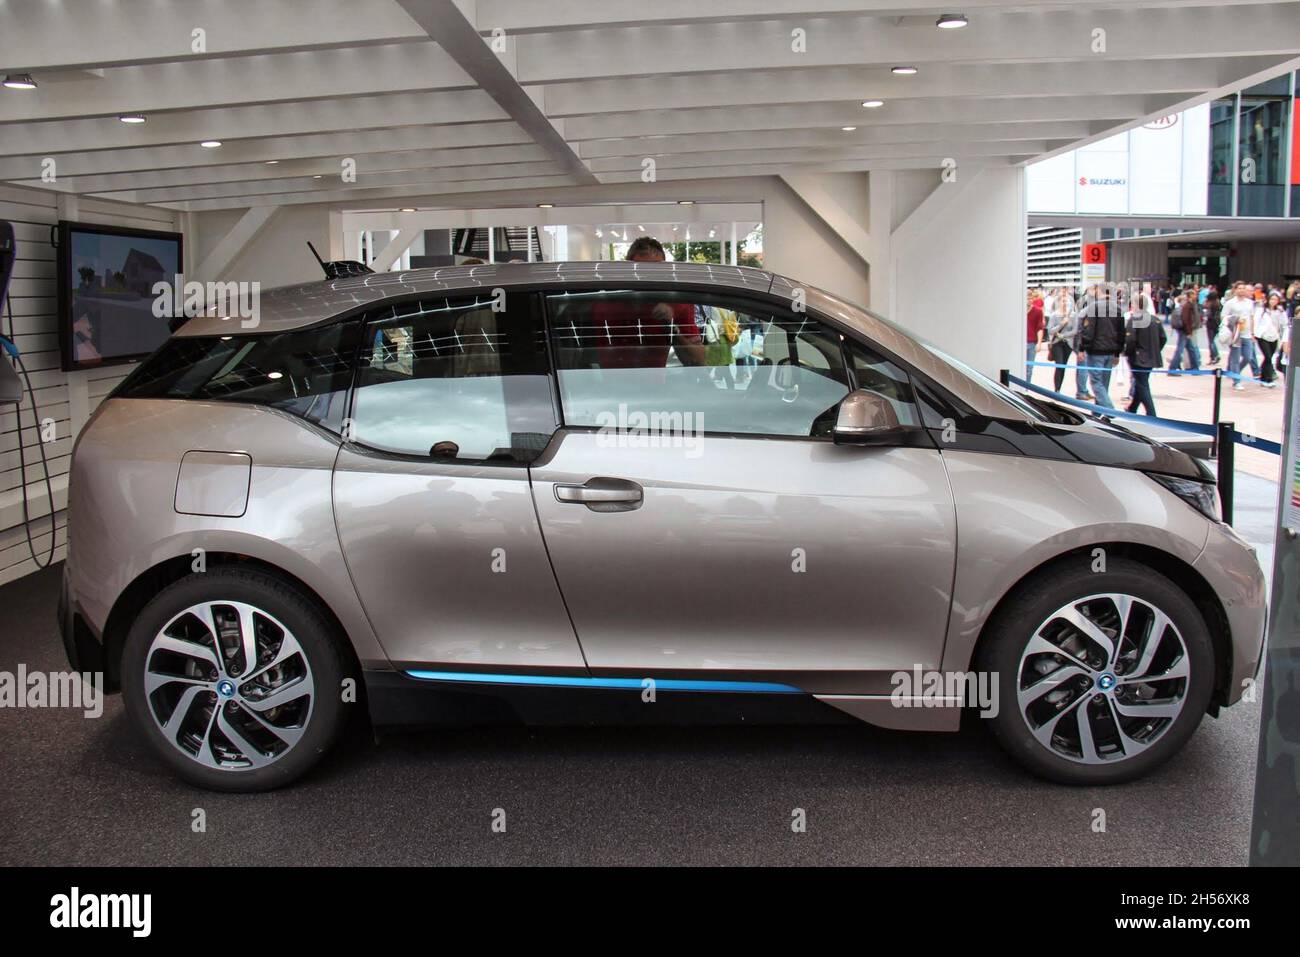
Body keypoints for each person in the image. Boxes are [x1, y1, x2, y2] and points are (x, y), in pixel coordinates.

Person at [590, 236, 705, 368]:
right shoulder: (605, 303)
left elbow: (698, 359)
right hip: (609, 384)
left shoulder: (677, 304)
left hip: (651, 386)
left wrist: (671, 327)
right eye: (641, 271)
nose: (649, 277)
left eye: (657, 271)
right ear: (630, 270)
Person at [1075, 283, 1126, 408]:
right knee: (1104, 383)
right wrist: (1117, 353)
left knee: (1097, 382)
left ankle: (1109, 409)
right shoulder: (1118, 309)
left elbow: (1088, 331)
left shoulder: (1094, 308)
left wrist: (1081, 348)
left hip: (1096, 351)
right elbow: (1121, 333)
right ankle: (1097, 412)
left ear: (1100, 292)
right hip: (1110, 351)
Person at [1124, 294, 1166, 416]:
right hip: (1151, 357)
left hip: (1139, 357)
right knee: (1140, 383)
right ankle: (1132, 408)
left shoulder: (1135, 319)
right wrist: (1155, 350)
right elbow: (1163, 338)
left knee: (1143, 385)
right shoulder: (1155, 319)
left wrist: (1128, 353)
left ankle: (1151, 413)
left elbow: (1130, 340)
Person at [1223, 282, 1260, 391]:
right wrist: (1235, 319)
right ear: (1235, 290)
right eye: (1239, 288)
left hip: (1247, 333)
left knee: (1248, 357)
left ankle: (1236, 372)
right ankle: (1236, 381)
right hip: (1236, 333)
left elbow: (1252, 318)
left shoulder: (1249, 303)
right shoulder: (1230, 303)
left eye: (1243, 288)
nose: (1241, 290)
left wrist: (1253, 333)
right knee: (1235, 357)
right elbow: (1223, 317)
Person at [1046, 289, 1078, 393]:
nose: (1065, 303)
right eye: (1063, 301)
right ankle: (1057, 389)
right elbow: (1050, 330)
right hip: (1056, 344)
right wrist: (1061, 324)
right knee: (1059, 364)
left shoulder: (1073, 315)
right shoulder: (1054, 315)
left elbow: (1075, 330)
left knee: (1063, 366)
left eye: (1067, 301)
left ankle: (1059, 387)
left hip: (1068, 343)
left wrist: (1063, 335)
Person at [1254, 291, 1285, 389]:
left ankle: (1263, 377)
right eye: (1272, 299)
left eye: (1276, 299)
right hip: (1263, 335)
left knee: (1269, 357)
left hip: (1274, 336)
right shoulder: (1262, 310)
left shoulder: (1280, 311)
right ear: (1268, 299)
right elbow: (1255, 321)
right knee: (1268, 357)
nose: (1273, 301)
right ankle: (1269, 379)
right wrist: (1254, 333)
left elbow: (1283, 324)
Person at [1167, 289, 1202, 375]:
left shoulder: (1188, 304)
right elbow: (1186, 319)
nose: (1196, 296)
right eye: (1194, 294)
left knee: (1191, 349)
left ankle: (1195, 368)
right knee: (1180, 349)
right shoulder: (1188, 305)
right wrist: (1189, 331)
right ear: (1190, 296)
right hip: (1185, 330)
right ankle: (1172, 369)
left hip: (1185, 330)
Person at [1026, 294, 1044, 377]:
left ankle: (1026, 388)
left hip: (1031, 343)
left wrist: (1039, 343)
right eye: (1027, 298)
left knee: (1029, 368)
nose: (1029, 300)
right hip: (1020, 343)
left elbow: (1039, 328)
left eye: (1030, 298)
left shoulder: (1038, 311)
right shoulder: (1017, 310)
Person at [1202, 287, 1222, 365]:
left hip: (1210, 323)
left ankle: (1215, 355)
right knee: (1212, 340)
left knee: (1211, 341)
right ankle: (1213, 356)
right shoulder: (1218, 303)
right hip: (1217, 323)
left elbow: (1208, 314)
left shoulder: (1210, 304)